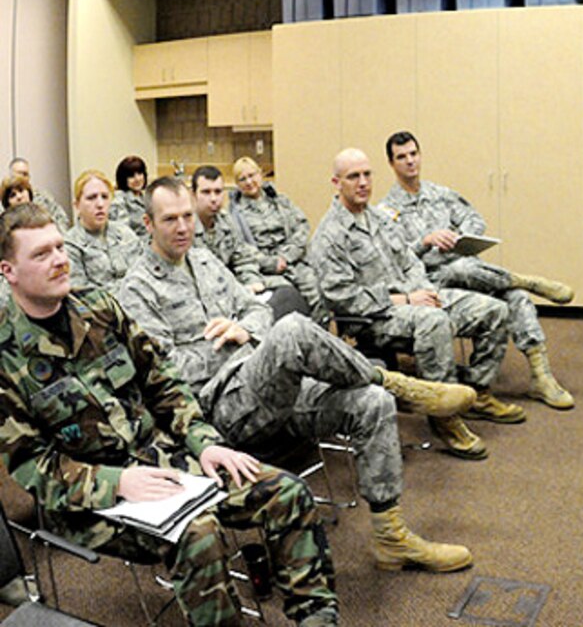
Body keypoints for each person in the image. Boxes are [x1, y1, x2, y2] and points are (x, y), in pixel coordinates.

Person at [0, 203, 340, 627]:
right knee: (199, 534)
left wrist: (205, 441)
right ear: (8, 271)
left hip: (164, 462)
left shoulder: (99, 308)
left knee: (286, 493)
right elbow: (32, 466)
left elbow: (163, 381)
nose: (59, 260)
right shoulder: (6, 356)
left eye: (59, 247)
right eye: (41, 254)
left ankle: (316, 619)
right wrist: (118, 482)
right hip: (91, 501)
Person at [119, 176, 475, 573]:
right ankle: (395, 381)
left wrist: (245, 330)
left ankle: (391, 536)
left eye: (188, 216)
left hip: (267, 386)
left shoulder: (204, 261)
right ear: (148, 224)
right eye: (170, 219)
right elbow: (163, 372)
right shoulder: (136, 289)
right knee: (291, 330)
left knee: (371, 402)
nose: (184, 227)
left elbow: (256, 310)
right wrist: (236, 343)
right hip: (218, 410)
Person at [310, 148, 519, 460]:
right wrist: (407, 299)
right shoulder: (329, 235)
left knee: (494, 311)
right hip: (375, 318)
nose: (363, 182)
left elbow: (410, 262)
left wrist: (423, 292)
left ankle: (477, 394)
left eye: (367, 174)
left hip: (416, 299)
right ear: (336, 182)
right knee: (434, 323)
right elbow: (342, 297)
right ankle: (445, 416)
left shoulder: (379, 218)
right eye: (354, 176)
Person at [379, 131, 575, 409]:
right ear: (392, 163)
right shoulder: (386, 212)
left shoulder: (440, 195)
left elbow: (474, 219)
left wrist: (461, 238)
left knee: (515, 297)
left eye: (414, 154)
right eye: (402, 157)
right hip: (431, 281)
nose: (410, 161)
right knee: (461, 267)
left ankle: (540, 376)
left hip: (471, 271)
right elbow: (394, 261)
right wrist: (425, 241)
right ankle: (521, 279)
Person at [191, 165, 309, 321]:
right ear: (193, 195)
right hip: (201, 298)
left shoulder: (225, 221)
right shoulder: (184, 229)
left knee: (288, 293)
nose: (213, 199)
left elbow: (242, 258)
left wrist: (252, 282)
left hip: (234, 286)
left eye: (218, 192)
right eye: (206, 192)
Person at [228, 157, 324, 319]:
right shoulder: (234, 215)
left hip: (292, 261)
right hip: (264, 270)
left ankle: (317, 336)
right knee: (286, 303)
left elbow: (302, 227)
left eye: (252, 175)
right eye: (242, 179)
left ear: (261, 174)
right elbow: (240, 249)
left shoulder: (280, 202)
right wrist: (271, 262)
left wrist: (287, 256)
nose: (249, 182)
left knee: (317, 293)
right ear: (237, 184)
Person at [64, 169, 142, 294]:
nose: (100, 204)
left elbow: (145, 275)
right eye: (91, 198)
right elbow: (83, 295)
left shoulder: (125, 234)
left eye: (105, 197)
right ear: (77, 205)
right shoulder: (70, 245)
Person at [8, 157, 68, 229]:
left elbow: (62, 219)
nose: (22, 178)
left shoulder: (44, 199)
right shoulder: (4, 202)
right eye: (19, 174)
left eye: (25, 174)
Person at [110, 155, 150, 239]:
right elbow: (122, 232)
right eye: (131, 176)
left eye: (140, 173)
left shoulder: (144, 196)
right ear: (123, 179)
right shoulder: (119, 199)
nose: (137, 179)